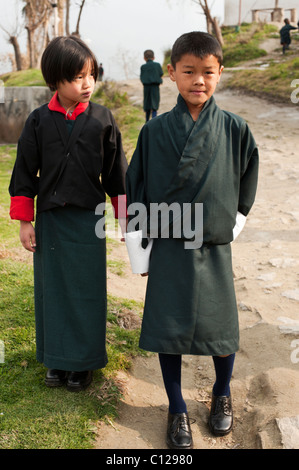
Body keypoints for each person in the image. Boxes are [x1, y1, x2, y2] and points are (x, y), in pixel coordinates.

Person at [126, 32, 258, 449]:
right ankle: (177, 407)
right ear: (172, 74)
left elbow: (246, 183)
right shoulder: (154, 132)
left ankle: (221, 393)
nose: (198, 80)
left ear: (220, 73)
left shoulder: (236, 129)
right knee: (169, 331)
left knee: (221, 331)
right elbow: (137, 188)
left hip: (215, 248)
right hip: (169, 248)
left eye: (207, 72)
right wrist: (139, 249)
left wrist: (231, 225)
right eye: (188, 71)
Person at [9, 36, 128, 392]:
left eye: (91, 75)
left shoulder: (102, 119)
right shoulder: (38, 121)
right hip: (51, 223)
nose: (87, 84)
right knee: (54, 291)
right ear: (55, 81)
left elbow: (117, 175)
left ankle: (83, 363)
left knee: (86, 291)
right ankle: (57, 361)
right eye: (78, 77)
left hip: (87, 223)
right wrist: (25, 222)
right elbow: (24, 173)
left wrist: (126, 221)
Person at [140, 49, 163, 121]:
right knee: (154, 105)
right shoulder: (157, 65)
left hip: (146, 87)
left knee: (147, 104)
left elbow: (141, 77)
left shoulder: (143, 67)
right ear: (153, 57)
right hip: (155, 87)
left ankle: (147, 121)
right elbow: (161, 73)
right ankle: (154, 120)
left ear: (144, 58)